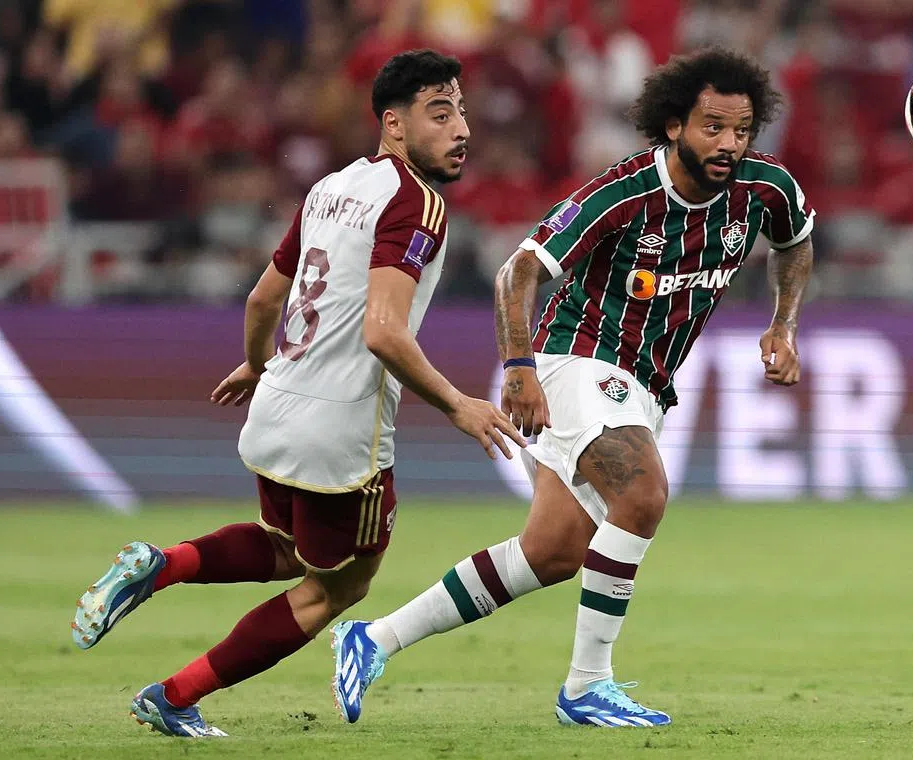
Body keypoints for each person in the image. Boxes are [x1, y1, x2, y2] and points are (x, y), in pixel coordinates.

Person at [332, 47, 815, 728]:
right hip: (576, 361)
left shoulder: (766, 189)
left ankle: (373, 638)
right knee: (642, 493)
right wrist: (519, 367)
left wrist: (783, 323)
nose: (730, 145)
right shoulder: (623, 194)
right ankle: (588, 685)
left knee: (553, 552)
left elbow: (796, 241)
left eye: (741, 130)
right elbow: (518, 271)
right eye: (713, 127)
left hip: (646, 383)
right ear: (673, 125)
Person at [69, 49, 525, 738]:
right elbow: (383, 332)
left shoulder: (330, 188)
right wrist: (460, 404)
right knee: (338, 586)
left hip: (276, 409)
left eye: (460, 110)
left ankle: (161, 565)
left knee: (289, 544)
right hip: (339, 436)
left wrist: (256, 366)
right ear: (395, 126)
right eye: (441, 113)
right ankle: (175, 695)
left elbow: (261, 301)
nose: (461, 128)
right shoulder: (418, 203)